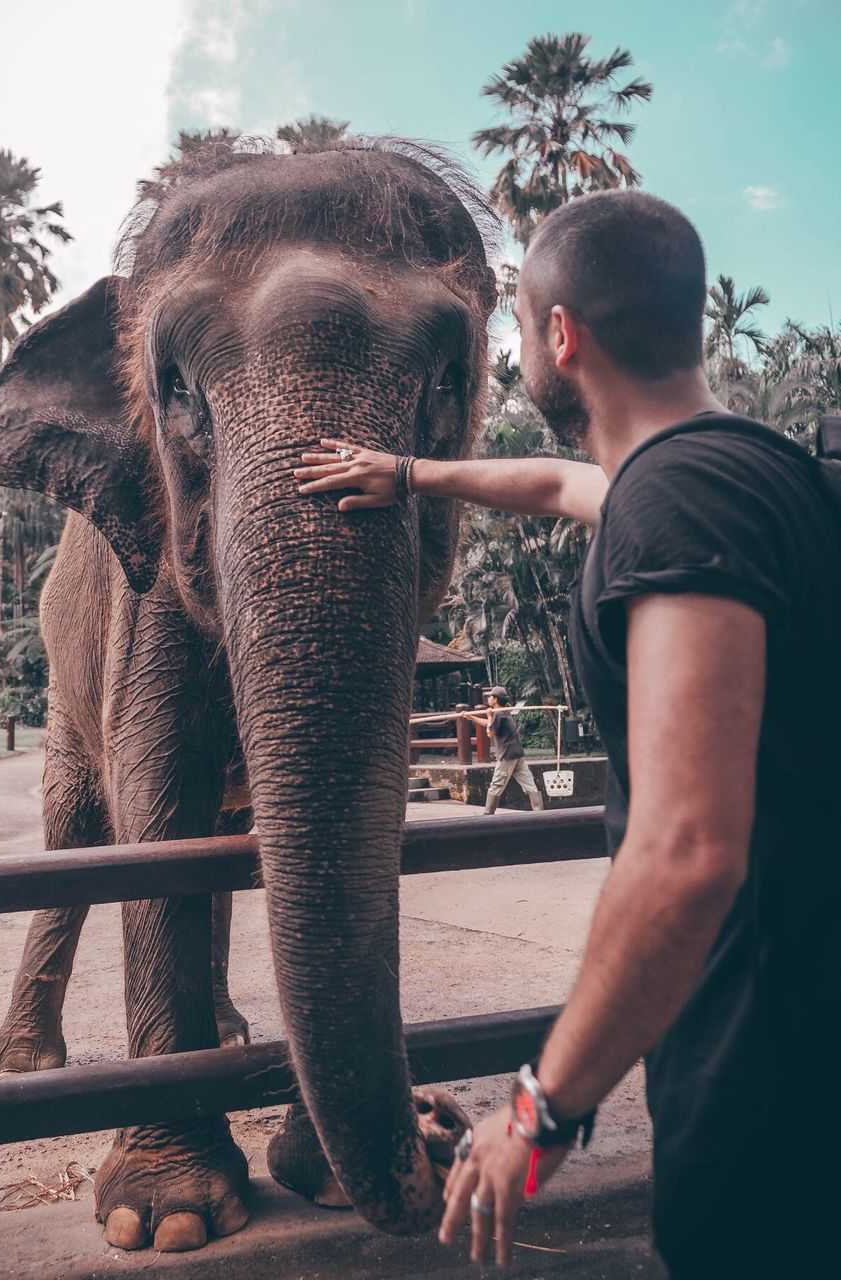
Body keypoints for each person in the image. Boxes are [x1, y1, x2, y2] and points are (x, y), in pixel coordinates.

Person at [293, 189, 840, 1277]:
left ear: (558, 336)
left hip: (763, 1085)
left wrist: (540, 1105)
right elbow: (553, 481)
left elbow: (685, 855)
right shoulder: (760, 473)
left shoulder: (673, 506)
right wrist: (404, 473)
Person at [468, 686, 543, 813]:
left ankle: (488, 813)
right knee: (529, 784)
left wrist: (489, 715)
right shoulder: (504, 711)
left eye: (490, 697)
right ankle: (538, 811)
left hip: (507, 755)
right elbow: (490, 724)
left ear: (495, 699)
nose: (489, 699)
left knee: (496, 784)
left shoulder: (497, 714)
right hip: (517, 754)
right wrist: (471, 718)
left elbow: (490, 732)